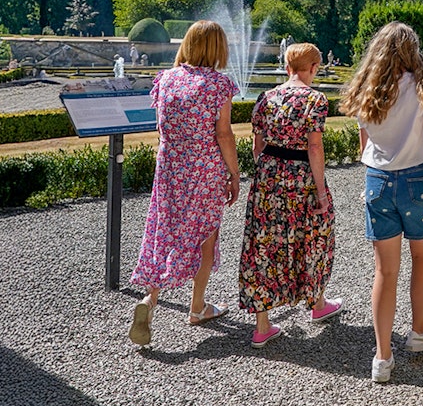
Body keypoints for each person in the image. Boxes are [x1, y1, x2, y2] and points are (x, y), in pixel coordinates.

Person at [340, 22, 423, 384]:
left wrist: (372, 176)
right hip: (418, 179)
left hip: (378, 180)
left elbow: (364, 141)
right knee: (422, 255)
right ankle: (419, 332)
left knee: (384, 272)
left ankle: (382, 358)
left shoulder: (367, 88)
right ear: (412, 50)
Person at [128, 20, 241, 347]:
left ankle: (150, 300)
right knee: (206, 235)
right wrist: (233, 174)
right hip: (203, 170)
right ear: (217, 48)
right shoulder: (219, 85)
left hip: (170, 167)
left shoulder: (165, 79)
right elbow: (223, 134)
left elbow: (161, 129)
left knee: (164, 230)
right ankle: (197, 307)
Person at [237, 43, 342, 348]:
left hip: (268, 175)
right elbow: (314, 147)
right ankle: (317, 303)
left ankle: (262, 326)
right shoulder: (315, 100)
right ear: (312, 68)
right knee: (314, 236)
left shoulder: (265, 98)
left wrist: (270, 174)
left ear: (287, 68)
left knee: (264, 244)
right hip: (302, 176)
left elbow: (257, 146)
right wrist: (321, 191)